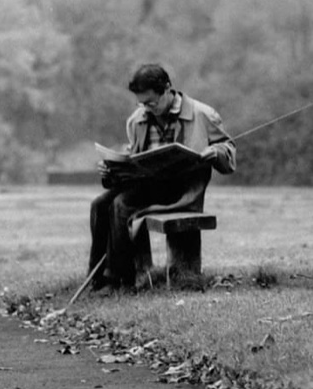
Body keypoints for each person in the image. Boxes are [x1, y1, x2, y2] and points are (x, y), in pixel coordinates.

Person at [89, 64, 235, 291]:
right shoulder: (137, 119)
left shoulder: (202, 114)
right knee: (99, 205)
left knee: (122, 204)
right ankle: (97, 278)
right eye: (141, 103)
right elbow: (134, 155)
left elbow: (227, 148)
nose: (146, 108)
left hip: (183, 189)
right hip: (146, 185)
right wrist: (112, 169)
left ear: (167, 89)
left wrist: (216, 152)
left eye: (151, 102)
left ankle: (119, 280)